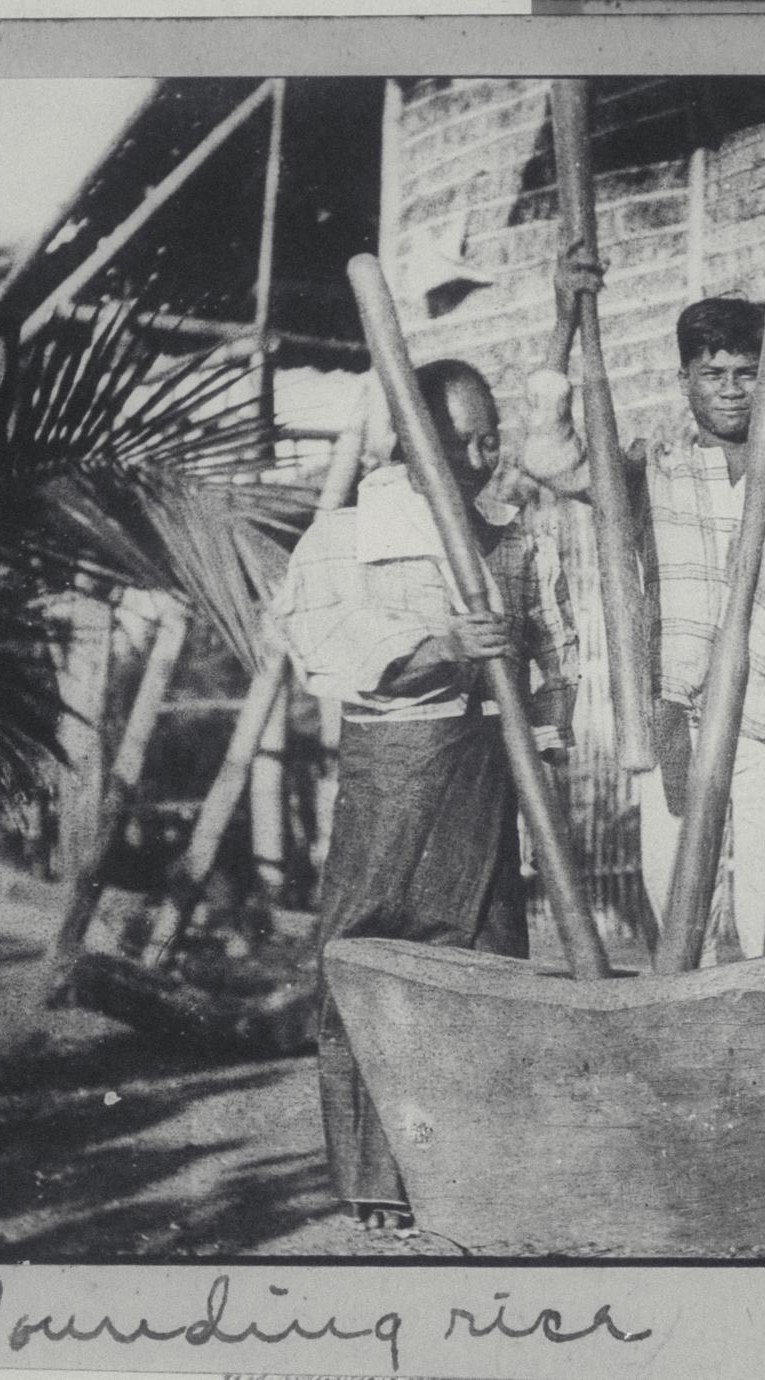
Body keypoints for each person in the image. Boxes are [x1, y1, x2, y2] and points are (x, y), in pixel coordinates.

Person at [272, 360, 577, 1231]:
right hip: (397, 766)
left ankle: (479, 1175)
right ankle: (378, 1183)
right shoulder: (347, 535)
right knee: (368, 958)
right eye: (463, 438)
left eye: (491, 436)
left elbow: (557, 650)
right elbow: (328, 648)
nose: (484, 455)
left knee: (485, 954)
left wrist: (548, 738)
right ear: (412, 439)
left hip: (487, 769)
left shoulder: (512, 535)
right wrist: (444, 648)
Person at [521, 246, 765, 959]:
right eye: (714, 375)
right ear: (685, 382)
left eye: (747, 375)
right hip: (677, 710)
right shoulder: (652, 473)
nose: (732, 390)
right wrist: (563, 324)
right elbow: (548, 457)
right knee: (676, 901)